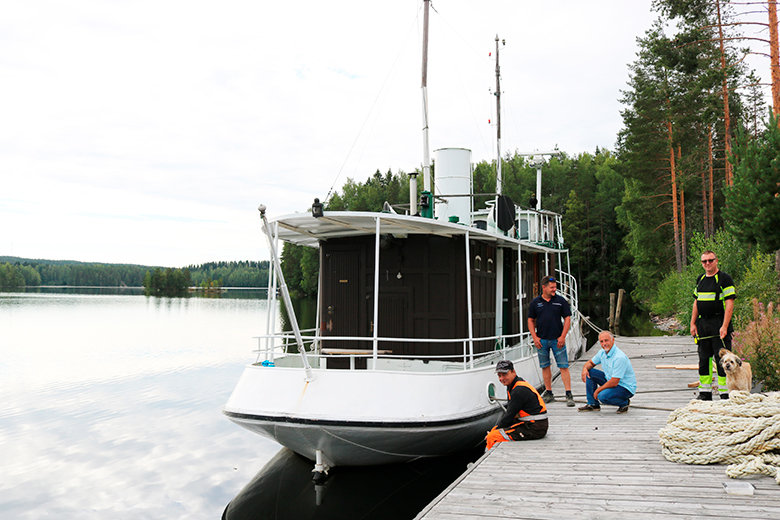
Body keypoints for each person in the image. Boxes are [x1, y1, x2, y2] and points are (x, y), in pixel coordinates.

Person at [690, 250, 736, 400]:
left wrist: (724, 326)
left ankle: (725, 392)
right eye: (704, 261)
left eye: (710, 260)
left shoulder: (724, 279)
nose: (707, 264)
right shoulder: (701, 279)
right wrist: (692, 323)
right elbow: (696, 303)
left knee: (722, 359)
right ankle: (705, 393)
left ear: (716, 261)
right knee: (704, 359)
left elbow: (729, 305)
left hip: (719, 323)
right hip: (703, 325)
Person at [527, 275, 574, 406]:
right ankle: (549, 392)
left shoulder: (561, 301)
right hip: (541, 340)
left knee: (563, 366)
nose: (554, 289)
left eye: (555, 287)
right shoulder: (535, 303)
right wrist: (534, 337)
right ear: (544, 287)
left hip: (557, 340)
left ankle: (569, 394)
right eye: (552, 287)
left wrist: (563, 336)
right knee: (545, 366)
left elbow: (567, 318)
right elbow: (530, 320)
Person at [486, 360, 548, 450]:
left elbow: (509, 415)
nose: (502, 378)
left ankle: (488, 458)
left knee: (493, 436)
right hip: (529, 423)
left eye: (504, 374)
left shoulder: (518, 390)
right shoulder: (513, 385)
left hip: (535, 427)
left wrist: (495, 431)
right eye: (499, 375)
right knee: (494, 430)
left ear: (513, 372)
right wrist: (496, 429)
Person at [578, 331, 637, 414]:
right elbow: (590, 363)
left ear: (613, 340)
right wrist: (585, 369)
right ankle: (593, 404)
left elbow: (614, 382)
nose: (604, 343)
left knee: (602, 396)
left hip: (625, 387)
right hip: (611, 380)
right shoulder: (602, 352)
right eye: (601, 341)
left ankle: (624, 403)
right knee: (590, 372)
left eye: (606, 340)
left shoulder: (619, 357)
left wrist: (598, 390)